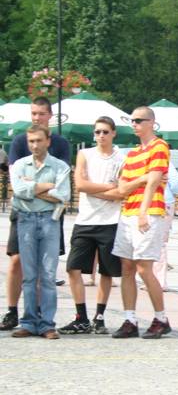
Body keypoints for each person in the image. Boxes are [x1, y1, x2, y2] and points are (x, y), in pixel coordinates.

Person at [1, 97, 71, 331]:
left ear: (50, 115)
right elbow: (18, 187)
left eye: (41, 113)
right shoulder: (19, 141)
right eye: (33, 113)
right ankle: (14, 312)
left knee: (47, 271)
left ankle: (43, 319)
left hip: (50, 216)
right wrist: (44, 186)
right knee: (17, 261)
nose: (37, 117)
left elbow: (62, 191)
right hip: (23, 214)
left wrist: (31, 187)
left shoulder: (60, 144)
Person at [58, 117, 124, 335]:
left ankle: (100, 316)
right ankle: (81, 317)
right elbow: (80, 185)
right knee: (73, 267)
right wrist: (107, 188)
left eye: (105, 132)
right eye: (97, 132)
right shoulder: (85, 154)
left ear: (113, 133)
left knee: (107, 271)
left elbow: (121, 193)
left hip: (110, 221)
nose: (101, 136)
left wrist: (93, 189)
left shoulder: (122, 158)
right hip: (85, 220)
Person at [110, 107, 172, 339]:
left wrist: (144, 211)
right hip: (128, 211)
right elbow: (122, 188)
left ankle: (161, 318)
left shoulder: (159, 146)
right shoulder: (133, 154)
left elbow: (154, 182)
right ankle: (130, 319)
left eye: (139, 120)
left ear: (151, 122)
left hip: (149, 210)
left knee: (144, 267)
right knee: (126, 267)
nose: (134, 124)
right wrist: (143, 177)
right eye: (132, 121)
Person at [153, 160, 178, 291]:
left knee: (158, 242)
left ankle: (159, 281)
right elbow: (176, 185)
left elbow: (177, 184)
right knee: (158, 242)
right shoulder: (166, 163)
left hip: (160, 202)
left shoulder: (162, 162)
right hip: (166, 201)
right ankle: (156, 279)